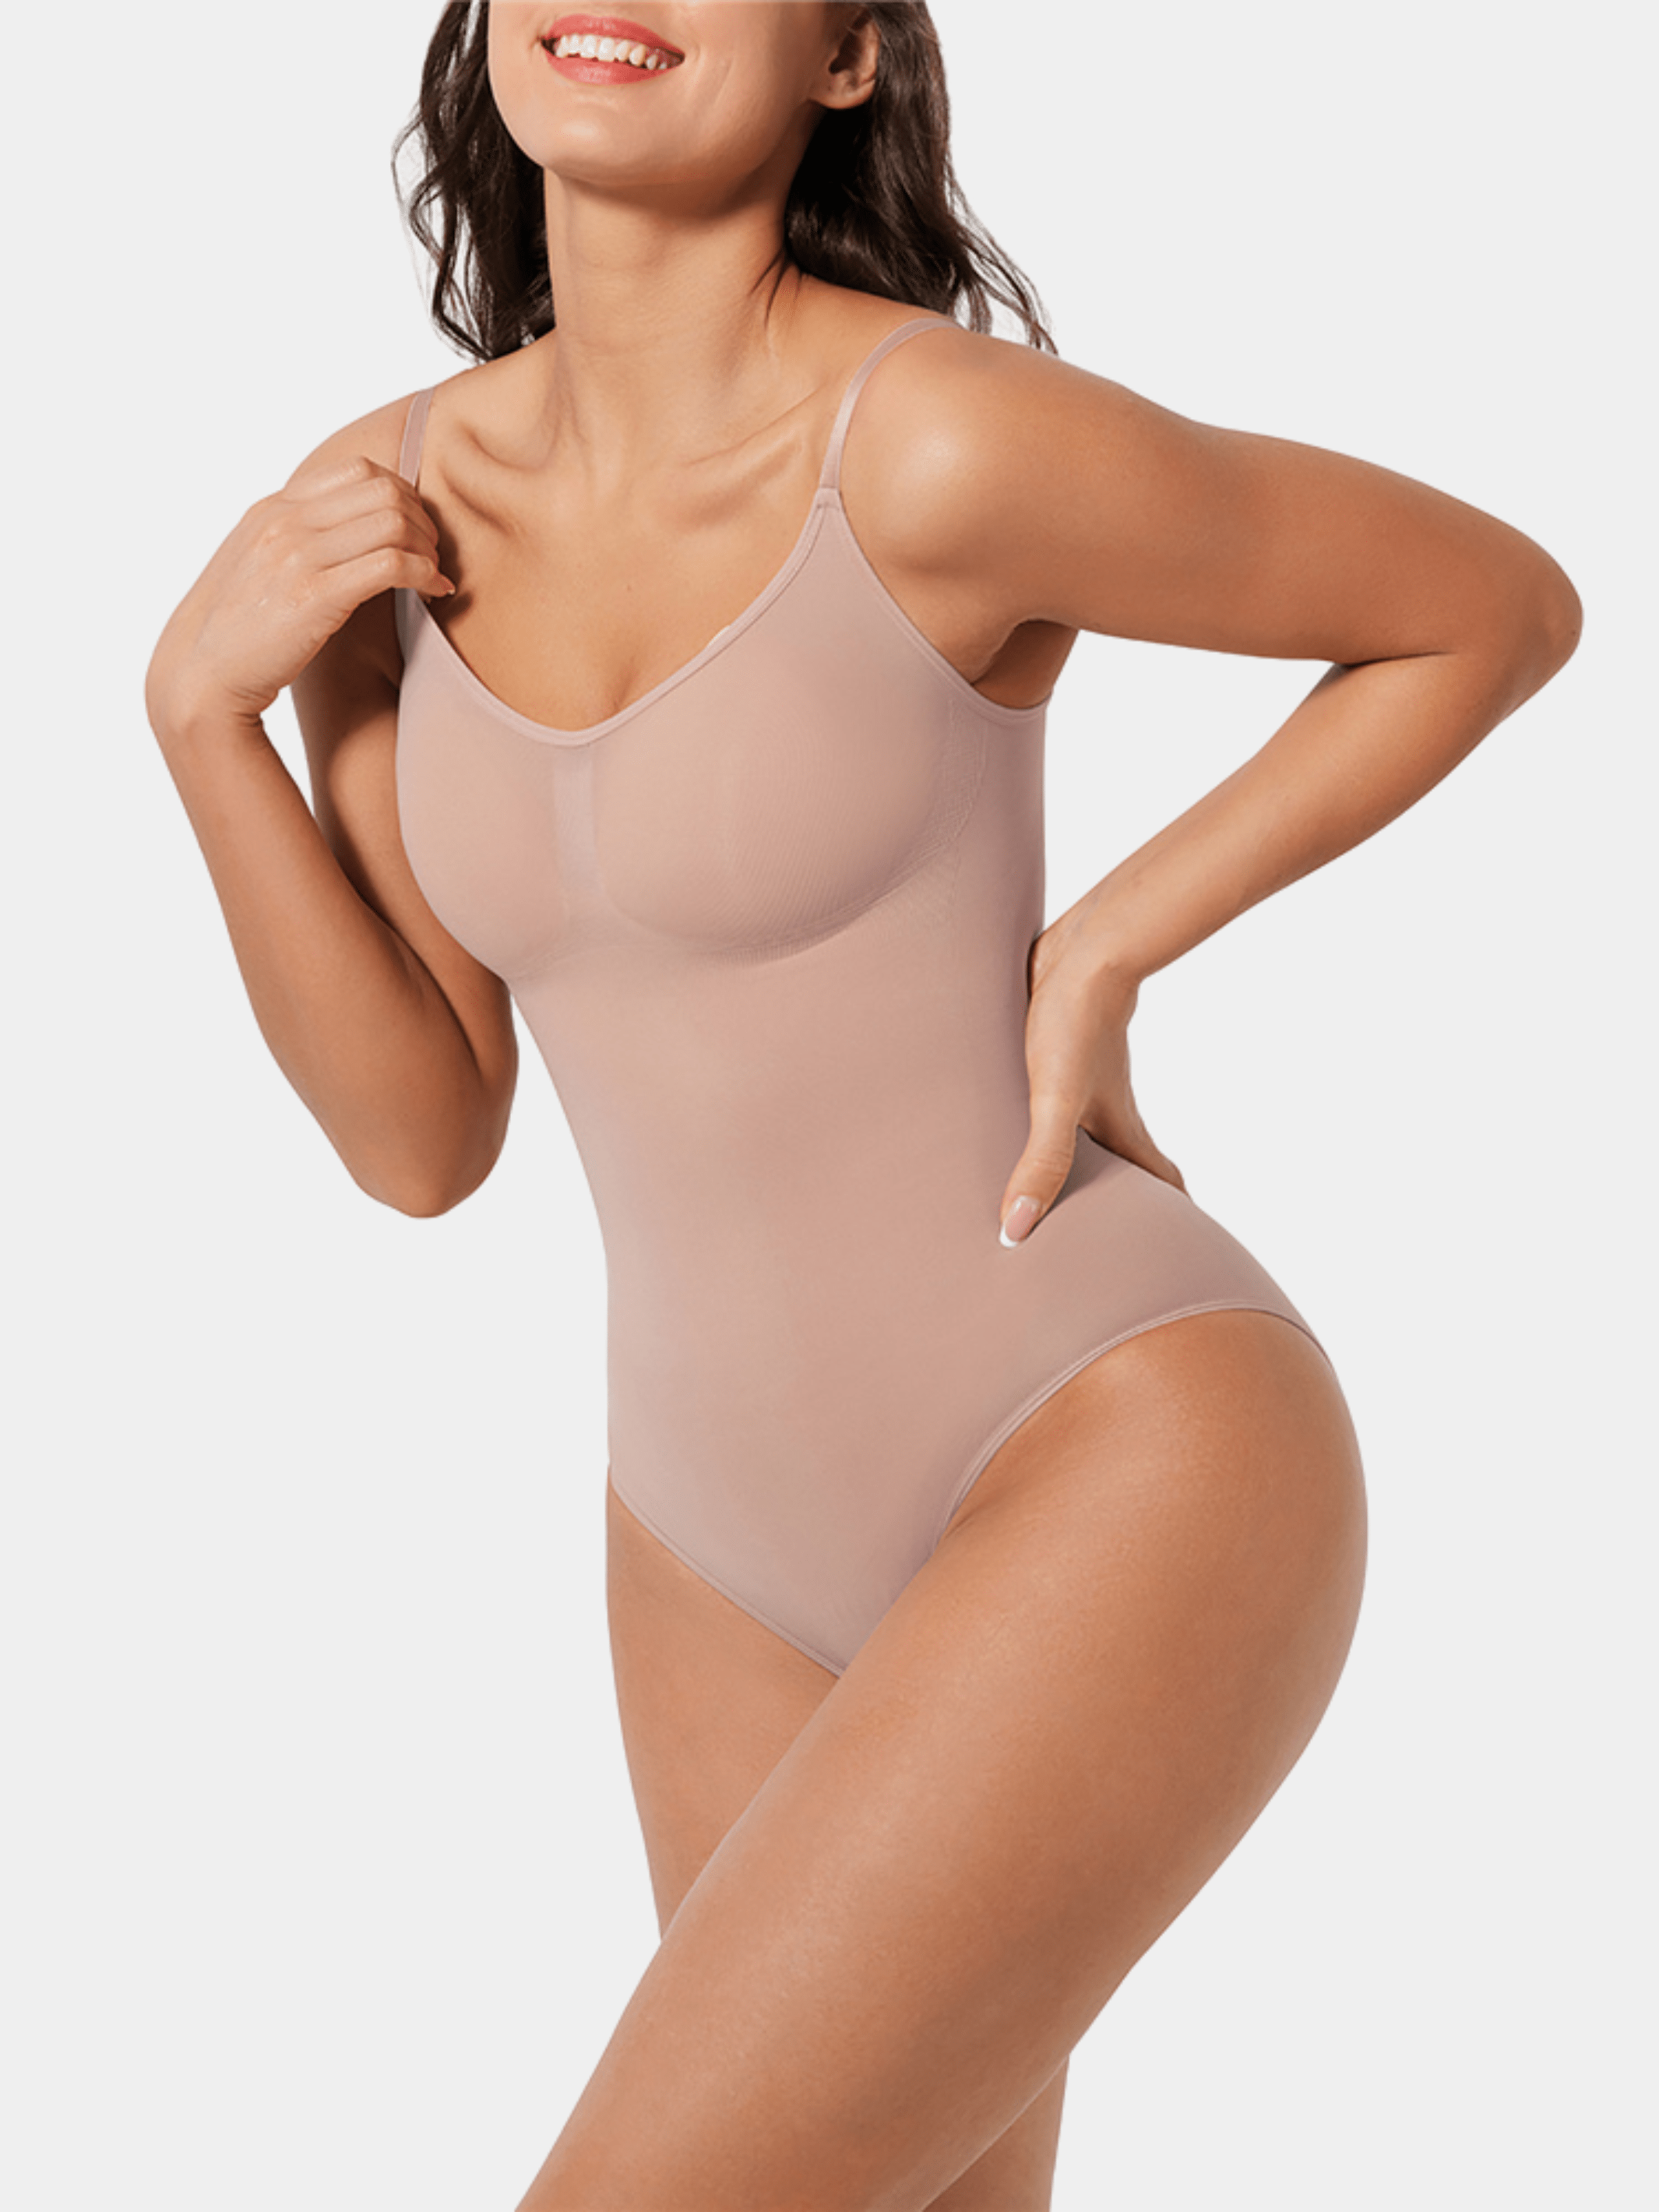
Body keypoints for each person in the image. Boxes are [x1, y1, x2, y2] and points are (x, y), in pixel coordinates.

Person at [143, 5, 1582, 2206]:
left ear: (848, 58)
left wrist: (1110, 942)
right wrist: (198, 719)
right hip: (701, 1533)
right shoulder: (382, 514)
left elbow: (1485, 608)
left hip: (1108, 1437)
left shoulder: (930, 444)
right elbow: (421, 1140)